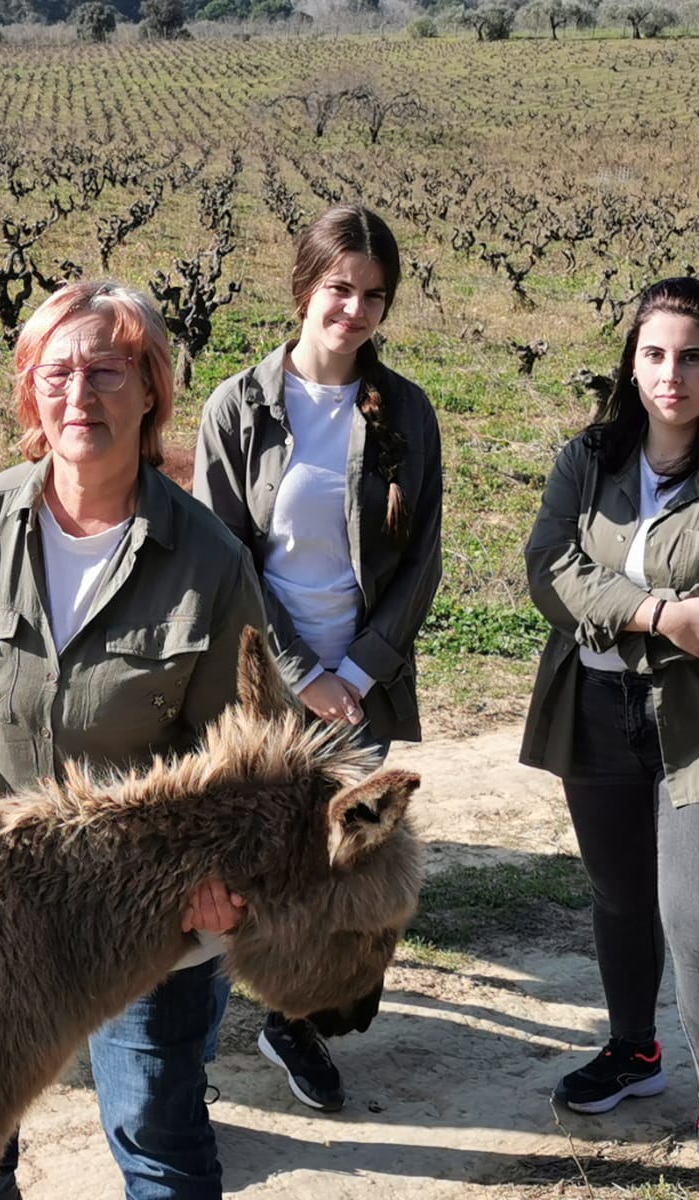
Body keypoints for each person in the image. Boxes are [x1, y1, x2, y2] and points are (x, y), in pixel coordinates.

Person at [0, 280, 268, 1200]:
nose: (82, 394)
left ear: (150, 391)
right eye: (58, 372)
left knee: (157, 1136)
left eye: (108, 369)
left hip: (150, 912)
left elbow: (245, 749)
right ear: (31, 394)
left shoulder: (207, 561)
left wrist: (226, 879)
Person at [521, 277, 699, 1200]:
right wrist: (656, 612)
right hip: (593, 712)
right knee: (620, 897)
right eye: (654, 354)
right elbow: (548, 570)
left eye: (693, 355)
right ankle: (634, 1047)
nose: (670, 374)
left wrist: (634, 614)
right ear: (631, 363)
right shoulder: (588, 458)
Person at [193, 204, 443, 1113]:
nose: (355, 310)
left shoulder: (406, 412)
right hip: (266, 684)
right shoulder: (239, 408)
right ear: (306, 286)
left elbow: (425, 563)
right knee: (248, 858)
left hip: (364, 687)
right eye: (341, 288)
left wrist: (362, 669)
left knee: (345, 876)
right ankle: (198, 1028)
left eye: (374, 295)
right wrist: (305, 671)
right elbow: (225, 558)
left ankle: (297, 1019)